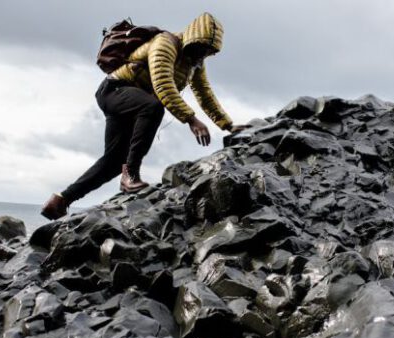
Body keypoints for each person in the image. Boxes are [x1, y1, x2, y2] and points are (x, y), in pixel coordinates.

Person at [41, 12, 248, 220]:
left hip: (132, 102)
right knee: (153, 107)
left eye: (209, 51)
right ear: (193, 39)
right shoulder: (165, 43)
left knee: (113, 162)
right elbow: (163, 84)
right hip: (114, 91)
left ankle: (60, 200)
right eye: (202, 48)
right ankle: (130, 174)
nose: (204, 54)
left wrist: (228, 125)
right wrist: (191, 119)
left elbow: (205, 94)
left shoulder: (194, 63)